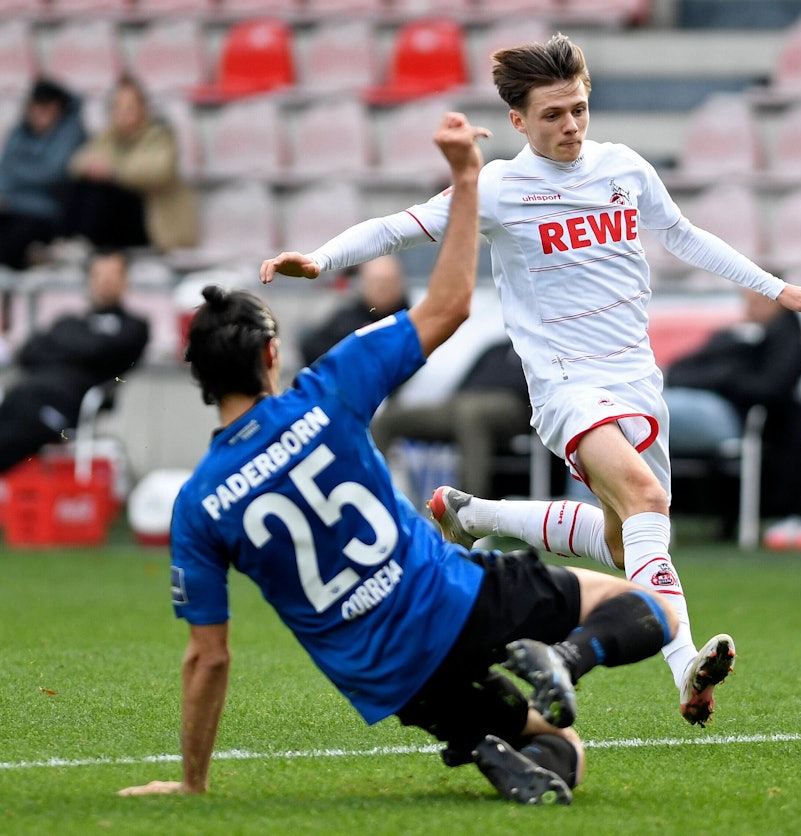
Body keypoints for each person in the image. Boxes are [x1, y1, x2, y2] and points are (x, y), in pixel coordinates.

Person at [259, 34, 801, 728]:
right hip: (565, 386)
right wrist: (320, 260)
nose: (569, 125)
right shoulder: (502, 186)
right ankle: (681, 656)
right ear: (518, 122)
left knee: (630, 536)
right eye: (552, 115)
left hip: (635, 379)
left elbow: (683, 235)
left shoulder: (623, 168)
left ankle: (477, 516)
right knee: (647, 497)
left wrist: (775, 288)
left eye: (578, 108)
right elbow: (398, 228)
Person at [118, 113, 677, 806]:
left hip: (385, 675)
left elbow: (208, 656)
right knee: (647, 608)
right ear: (270, 354)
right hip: (450, 598)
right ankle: (565, 659)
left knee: (558, 751)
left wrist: (192, 782)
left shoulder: (199, 501)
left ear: (200, 379)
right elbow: (448, 305)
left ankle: (487, 740)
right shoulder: (327, 390)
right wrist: (467, 180)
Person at [665, 288, 801, 528]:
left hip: (728, 418)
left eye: (754, 301)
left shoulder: (783, 346)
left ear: (775, 303)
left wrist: (725, 379)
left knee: (641, 412)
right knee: (640, 409)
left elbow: (770, 389)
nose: (747, 308)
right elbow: (678, 371)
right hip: (698, 405)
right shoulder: (734, 338)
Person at [0, 249, 149, 474]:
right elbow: (28, 352)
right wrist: (80, 347)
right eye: (99, 274)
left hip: (63, 408)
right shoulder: (69, 321)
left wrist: (60, 346)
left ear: (124, 280)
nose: (105, 281)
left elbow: (101, 351)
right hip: (21, 397)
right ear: (89, 280)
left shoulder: (134, 326)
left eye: (113, 274)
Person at [372, 337, 531, 498]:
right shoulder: (495, 349)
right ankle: (371, 493)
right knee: (388, 418)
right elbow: (463, 385)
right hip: (463, 403)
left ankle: (467, 508)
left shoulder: (536, 351)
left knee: (469, 413)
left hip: (512, 408)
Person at [65, 75, 197, 252]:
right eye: (118, 106)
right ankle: (73, 243)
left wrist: (114, 171)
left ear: (143, 108)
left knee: (103, 192)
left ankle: (80, 245)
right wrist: (93, 167)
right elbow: (75, 163)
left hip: (153, 225)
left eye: (130, 106)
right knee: (84, 185)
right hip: (117, 223)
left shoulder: (160, 135)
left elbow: (158, 172)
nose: (124, 112)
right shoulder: (109, 136)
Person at [0, 78, 86, 270]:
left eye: (47, 108)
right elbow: (4, 173)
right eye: (36, 107)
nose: (40, 114)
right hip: (11, 208)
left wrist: (17, 171)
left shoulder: (69, 133)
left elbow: (52, 173)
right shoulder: (19, 132)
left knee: (11, 244)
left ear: (58, 109)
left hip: (47, 214)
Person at [298, 255, 410, 366]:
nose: (382, 288)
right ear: (364, 283)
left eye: (387, 282)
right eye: (376, 281)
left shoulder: (411, 319)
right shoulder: (347, 320)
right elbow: (311, 348)